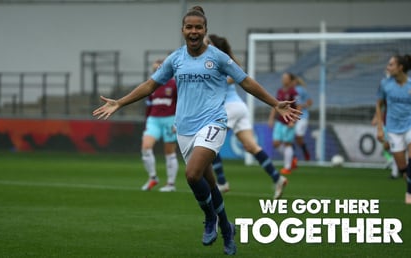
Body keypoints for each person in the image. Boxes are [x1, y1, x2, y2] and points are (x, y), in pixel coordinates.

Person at [92, 6, 300, 255]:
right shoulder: (175, 59)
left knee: (192, 175)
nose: (193, 31)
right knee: (209, 184)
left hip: (213, 123)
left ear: (205, 30)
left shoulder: (218, 57)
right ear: (183, 30)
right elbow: (150, 85)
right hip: (185, 130)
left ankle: (210, 217)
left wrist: (275, 103)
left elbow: (246, 81)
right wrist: (120, 102)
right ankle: (226, 228)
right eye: (189, 27)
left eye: (198, 27)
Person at [205, 34, 288, 198]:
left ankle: (221, 182)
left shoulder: (220, 63)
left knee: (209, 143)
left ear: (215, 46)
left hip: (229, 108)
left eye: (207, 43)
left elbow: (231, 79)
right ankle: (277, 178)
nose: (204, 45)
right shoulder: (215, 62)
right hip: (239, 108)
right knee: (251, 146)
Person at [375, 54, 411, 204]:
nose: (388, 67)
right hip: (393, 128)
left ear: (401, 68)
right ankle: (407, 175)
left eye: (391, 64)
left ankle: (409, 195)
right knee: (402, 166)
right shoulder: (385, 84)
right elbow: (379, 105)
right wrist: (380, 128)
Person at [140, 59, 179, 192]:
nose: (155, 72)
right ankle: (153, 177)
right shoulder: (151, 86)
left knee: (169, 152)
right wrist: (146, 123)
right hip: (153, 120)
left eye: (158, 69)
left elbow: (181, 104)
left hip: (170, 119)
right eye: (154, 70)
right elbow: (148, 107)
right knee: (146, 147)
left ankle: (171, 184)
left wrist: (178, 122)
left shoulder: (174, 84)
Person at [268, 72, 301, 175]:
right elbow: (275, 105)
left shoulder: (294, 92)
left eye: (285, 78)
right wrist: (271, 118)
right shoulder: (280, 91)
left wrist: (293, 120)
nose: (283, 79)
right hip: (280, 121)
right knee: (276, 143)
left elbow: (299, 106)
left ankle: (287, 167)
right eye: (283, 78)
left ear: (290, 80)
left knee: (287, 144)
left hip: (289, 122)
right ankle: (291, 158)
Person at [371, 103, 399, 179]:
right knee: (387, 147)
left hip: (398, 125)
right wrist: (376, 118)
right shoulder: (387, 95)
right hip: (387, 125)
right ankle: (393, 162)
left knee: (396, 148)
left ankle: (395, 171)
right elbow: (380, 107)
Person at [293, 76, 312, 161]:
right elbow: (309, 102)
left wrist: (301, 107)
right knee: (296, 138)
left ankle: (296, 156)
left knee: (297, 137)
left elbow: (301, 104)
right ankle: (296, 156)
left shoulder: (298, 90)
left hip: (301, 117)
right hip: (300, 116)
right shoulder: (299, 89)